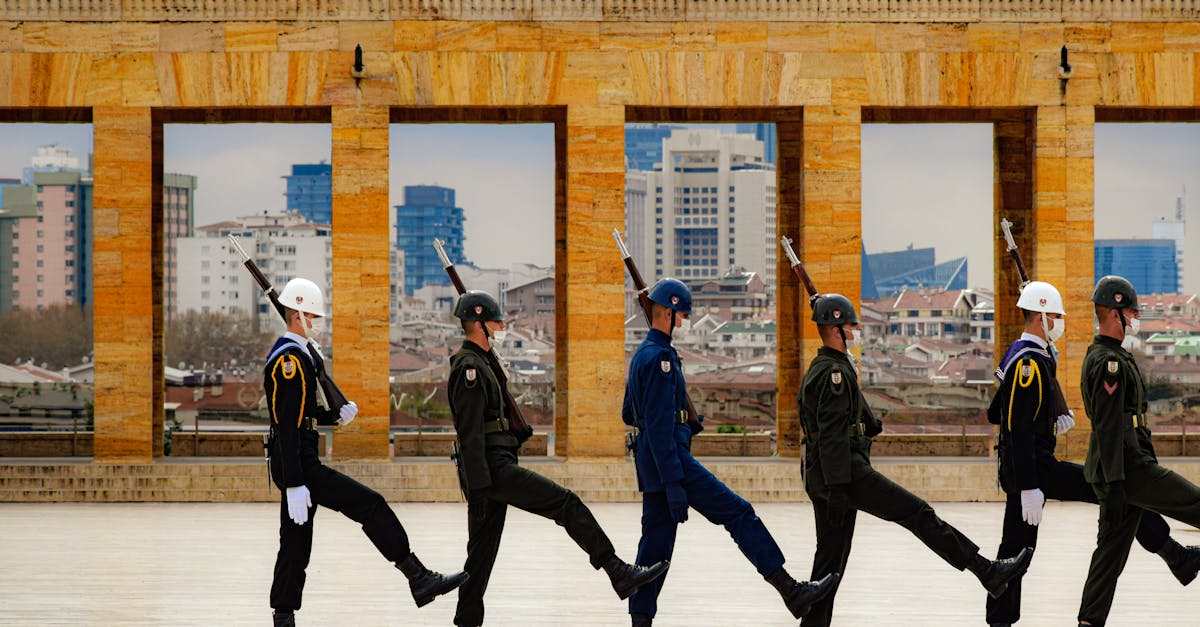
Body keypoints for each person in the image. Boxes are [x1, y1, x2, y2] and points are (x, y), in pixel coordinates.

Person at [799, 292, 1033, 627]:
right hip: (845, 475)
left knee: (830, 564)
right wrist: (838, 490)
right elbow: (833, 436)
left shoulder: (828, 368)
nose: (857, 330)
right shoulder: (833, 374)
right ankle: (986, 570)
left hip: (829, 476)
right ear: (837, 328)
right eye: (852, 325)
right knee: (917, 513)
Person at [623, 278, 839, 626]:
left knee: (654, 551)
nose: (684, 322)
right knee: (739, 513)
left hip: (652, 465)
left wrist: (682, 422)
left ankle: (640, 622)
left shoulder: (642, 356)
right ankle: (790, 591)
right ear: (667, 312)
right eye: (681, 315)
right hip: (672, 462)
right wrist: (676, 480)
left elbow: (630, 414)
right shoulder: (661, 359)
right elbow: (661, 428)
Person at [448, 290, 669, 627]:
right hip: (493, 469)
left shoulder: (484, 361)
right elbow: (470, 434)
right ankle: (616, 569)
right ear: (479, 324)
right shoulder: (468, 367)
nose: (502, 325)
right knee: (565, 504)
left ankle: (466, 622)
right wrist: (478, 488)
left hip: (495, 466)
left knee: (479, 557)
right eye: (496, 321)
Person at [986, 281, 1200, 627]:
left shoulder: (1026, 356)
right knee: (1017, 547)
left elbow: (996, 412)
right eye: (1055, 316)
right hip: (1032, 470)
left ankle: (1175, 555)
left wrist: (1051, 410)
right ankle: (999, 621)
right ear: (1041, 317)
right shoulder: (1029, 363)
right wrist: (1027, 485)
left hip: (1037, 466)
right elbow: (1018, 429)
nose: (1060, 321)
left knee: (1117, 498)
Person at [266, 278, 467, 627]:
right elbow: (285, 424)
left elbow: (301, 414)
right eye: (311, 317)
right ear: (298, 316)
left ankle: (283, 616)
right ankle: (418, 578)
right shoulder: (290, 361)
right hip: (299, 462)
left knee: (295, 543)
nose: (315, 323)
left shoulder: (299, 355)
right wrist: (296, 482)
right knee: (370, 504)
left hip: (297, 458)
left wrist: (332, 416)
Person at [1078, 276, 1200, 626]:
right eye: (1131, 311)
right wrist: (1117, 483)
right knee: (1193, 503)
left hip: (1122, 467)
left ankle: (1088, 622)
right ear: (1115, 314)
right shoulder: (1108, 363)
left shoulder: (1112, 355)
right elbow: (1109, 425)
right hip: (1129, 469)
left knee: (1108, 558)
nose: (1135, 317)